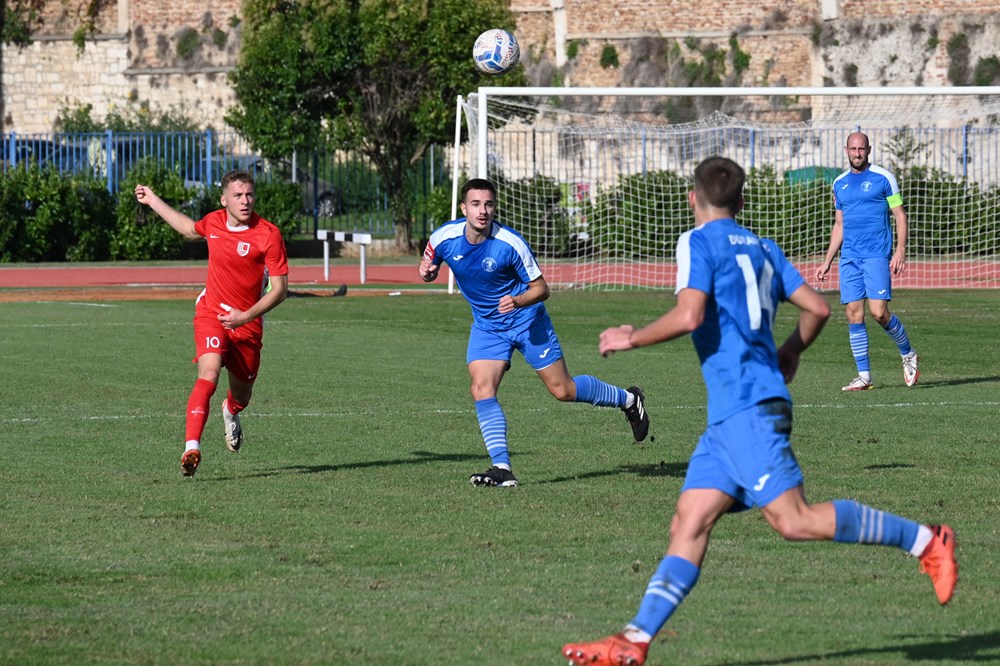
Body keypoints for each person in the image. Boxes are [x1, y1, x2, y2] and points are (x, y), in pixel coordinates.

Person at [562, 157, 957, 666]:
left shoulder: (696, 241)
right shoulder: (765, 248)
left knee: (794, 520)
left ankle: (926, 540)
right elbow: (817, 308)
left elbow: (690, 314)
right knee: (688, 523)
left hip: (748, 408)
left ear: (693, 199)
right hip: (731, 417)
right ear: (743, 202)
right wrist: (790, 350)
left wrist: (631, 337)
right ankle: (634, 640)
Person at [418, 178, 650, 488]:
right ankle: (502, 468)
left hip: (528, 321)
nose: (482, 211)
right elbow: (427, 263)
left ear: (494, 207)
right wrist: (427, 272)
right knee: (481, 388)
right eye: (475, 204)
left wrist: (517, 300)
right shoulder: (443, 237)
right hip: (488, 327)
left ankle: (628, 399)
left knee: (563, 390)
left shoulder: (510, 243)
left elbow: (542, 289)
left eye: (488, 204)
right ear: (463, 208)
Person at [135, 169, 289, 476]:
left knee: (242, 396)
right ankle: (191, 448)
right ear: (224, 200)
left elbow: (280, 290)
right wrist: (152, 200)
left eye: (249, 195)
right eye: (238, 195)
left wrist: (245, 316)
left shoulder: (268, 234)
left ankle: (230, 411)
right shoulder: (214, 222)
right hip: (211, 314)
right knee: (208, 374)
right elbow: (188, 229)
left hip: (247, 324)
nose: (245, 201)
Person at [816, 131, 920, 391]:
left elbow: (900, 216)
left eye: (861, 149)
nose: (857, 153)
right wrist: (827, 261)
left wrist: (900, 250)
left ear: (869, 150)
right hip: (849, 257)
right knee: (853, 313)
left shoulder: (884, 178)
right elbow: (839, 224)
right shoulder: (839, 183)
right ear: (846, 150)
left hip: (876, 254)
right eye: (853, 149)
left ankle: (908, 353)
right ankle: (864, 376)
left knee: (878, 313)